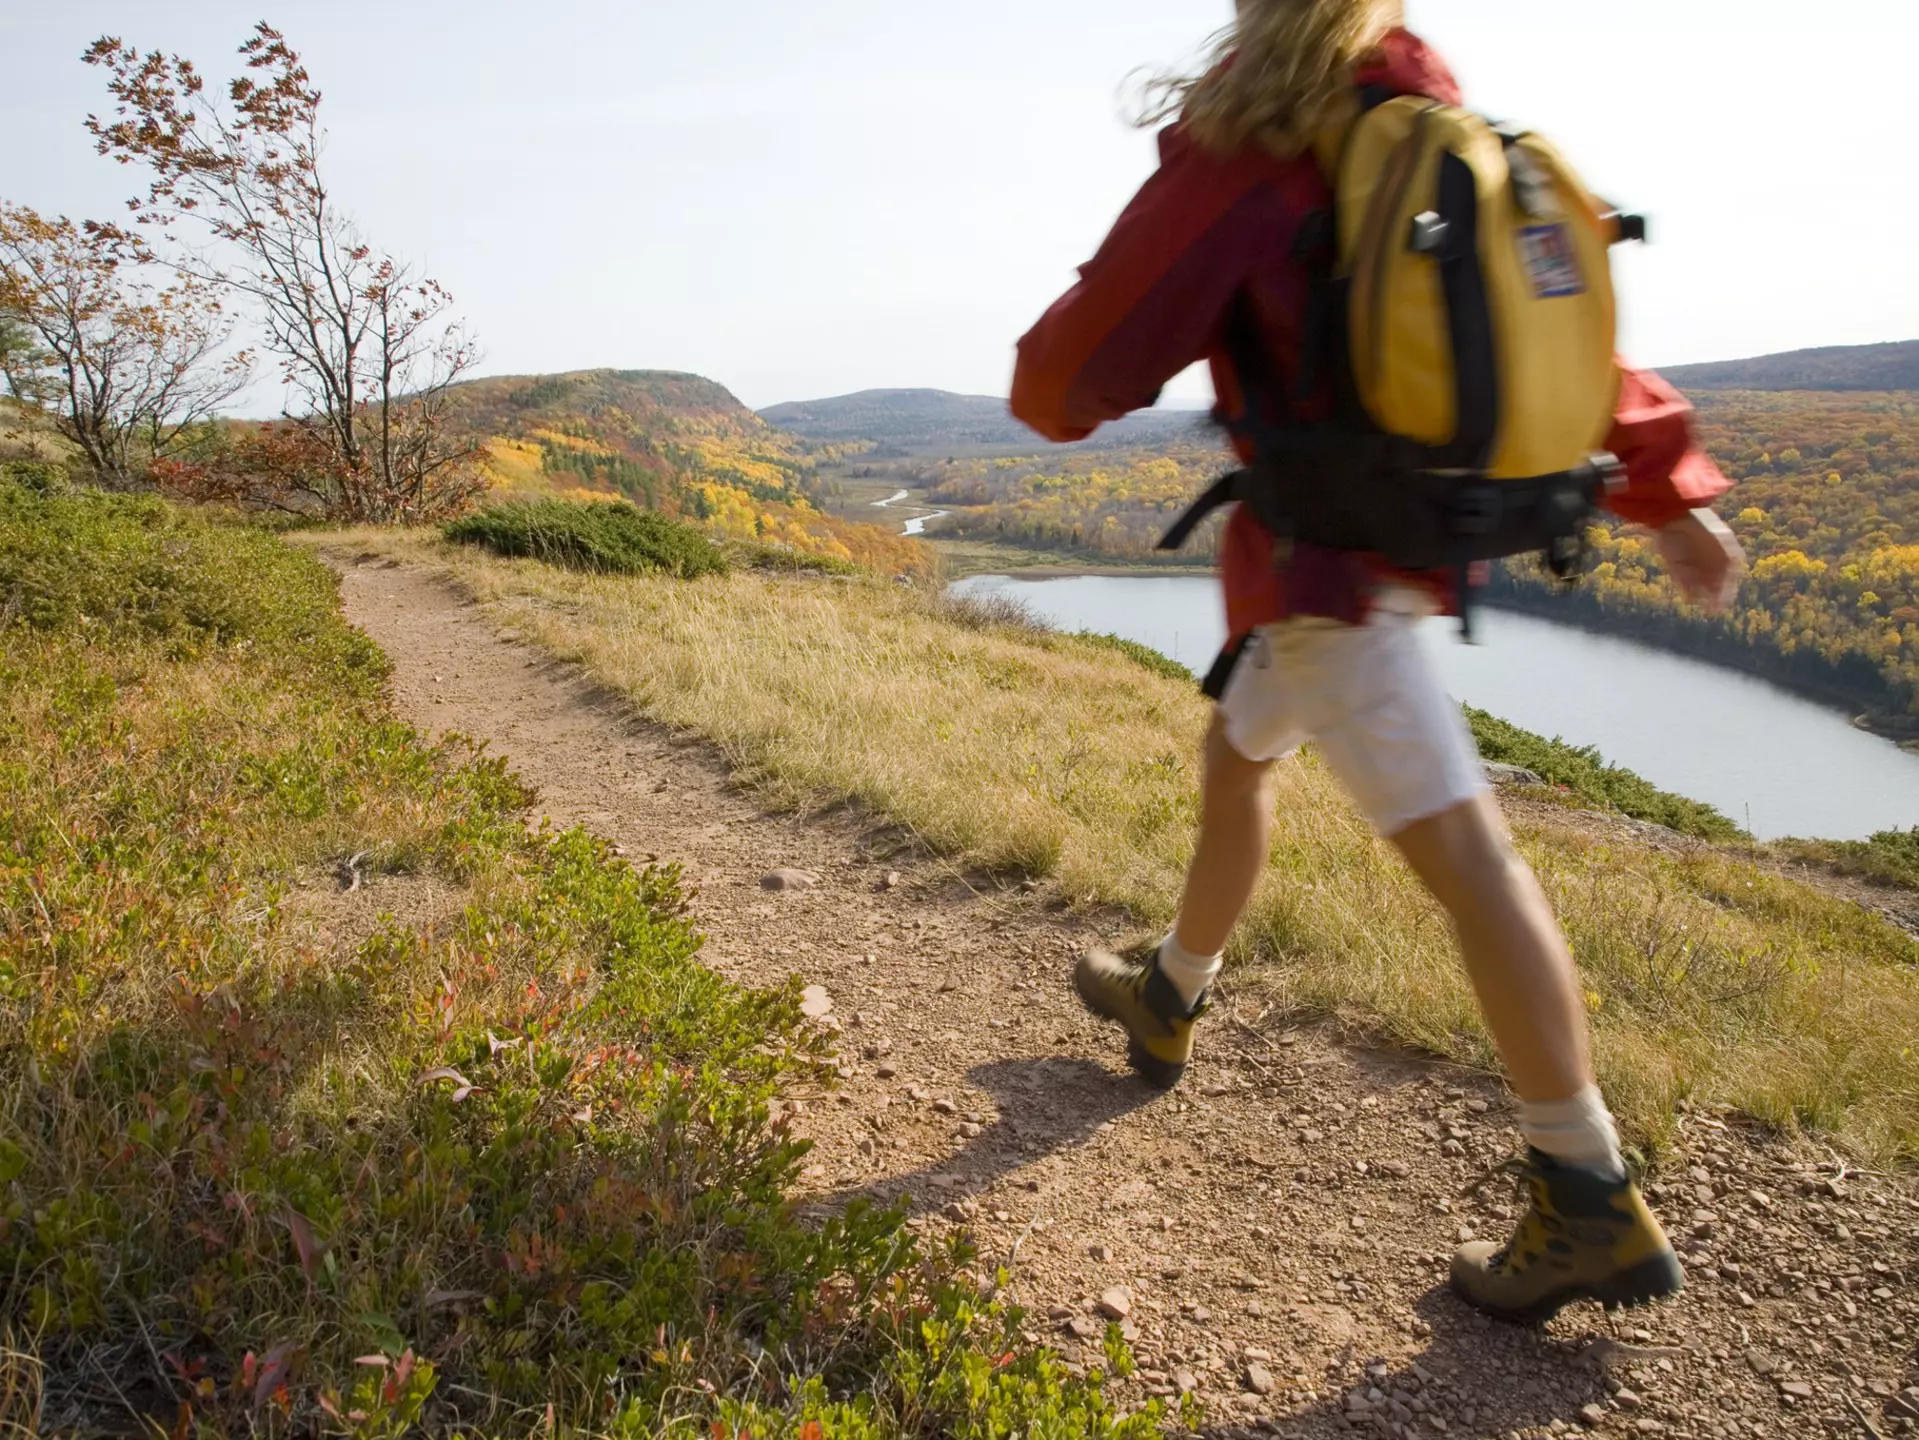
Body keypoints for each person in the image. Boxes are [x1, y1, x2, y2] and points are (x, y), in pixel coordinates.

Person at [1009, 0, 1745, 1323]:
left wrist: (1047, 393)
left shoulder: (1257, 138)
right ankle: (1169, 992)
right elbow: (1559, 333)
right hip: (1403, 548)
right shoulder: (1437, 134)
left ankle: (1586, 1195)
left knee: (1470, 862)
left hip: (1326, 576)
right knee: (1233, 754)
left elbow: (1084, 361)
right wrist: (1665, 488)